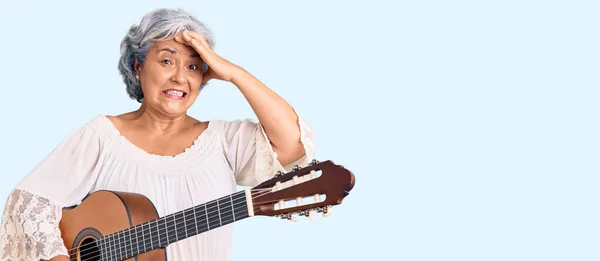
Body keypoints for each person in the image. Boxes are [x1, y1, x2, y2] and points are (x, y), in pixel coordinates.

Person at [0, 8, 315, 261]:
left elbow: (292, 145)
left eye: (194, 67)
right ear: (138, 65)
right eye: (167, 61)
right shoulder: (101, 136)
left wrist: (233, 73)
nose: (180, 77)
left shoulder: (223, 140)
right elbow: (27, 202)